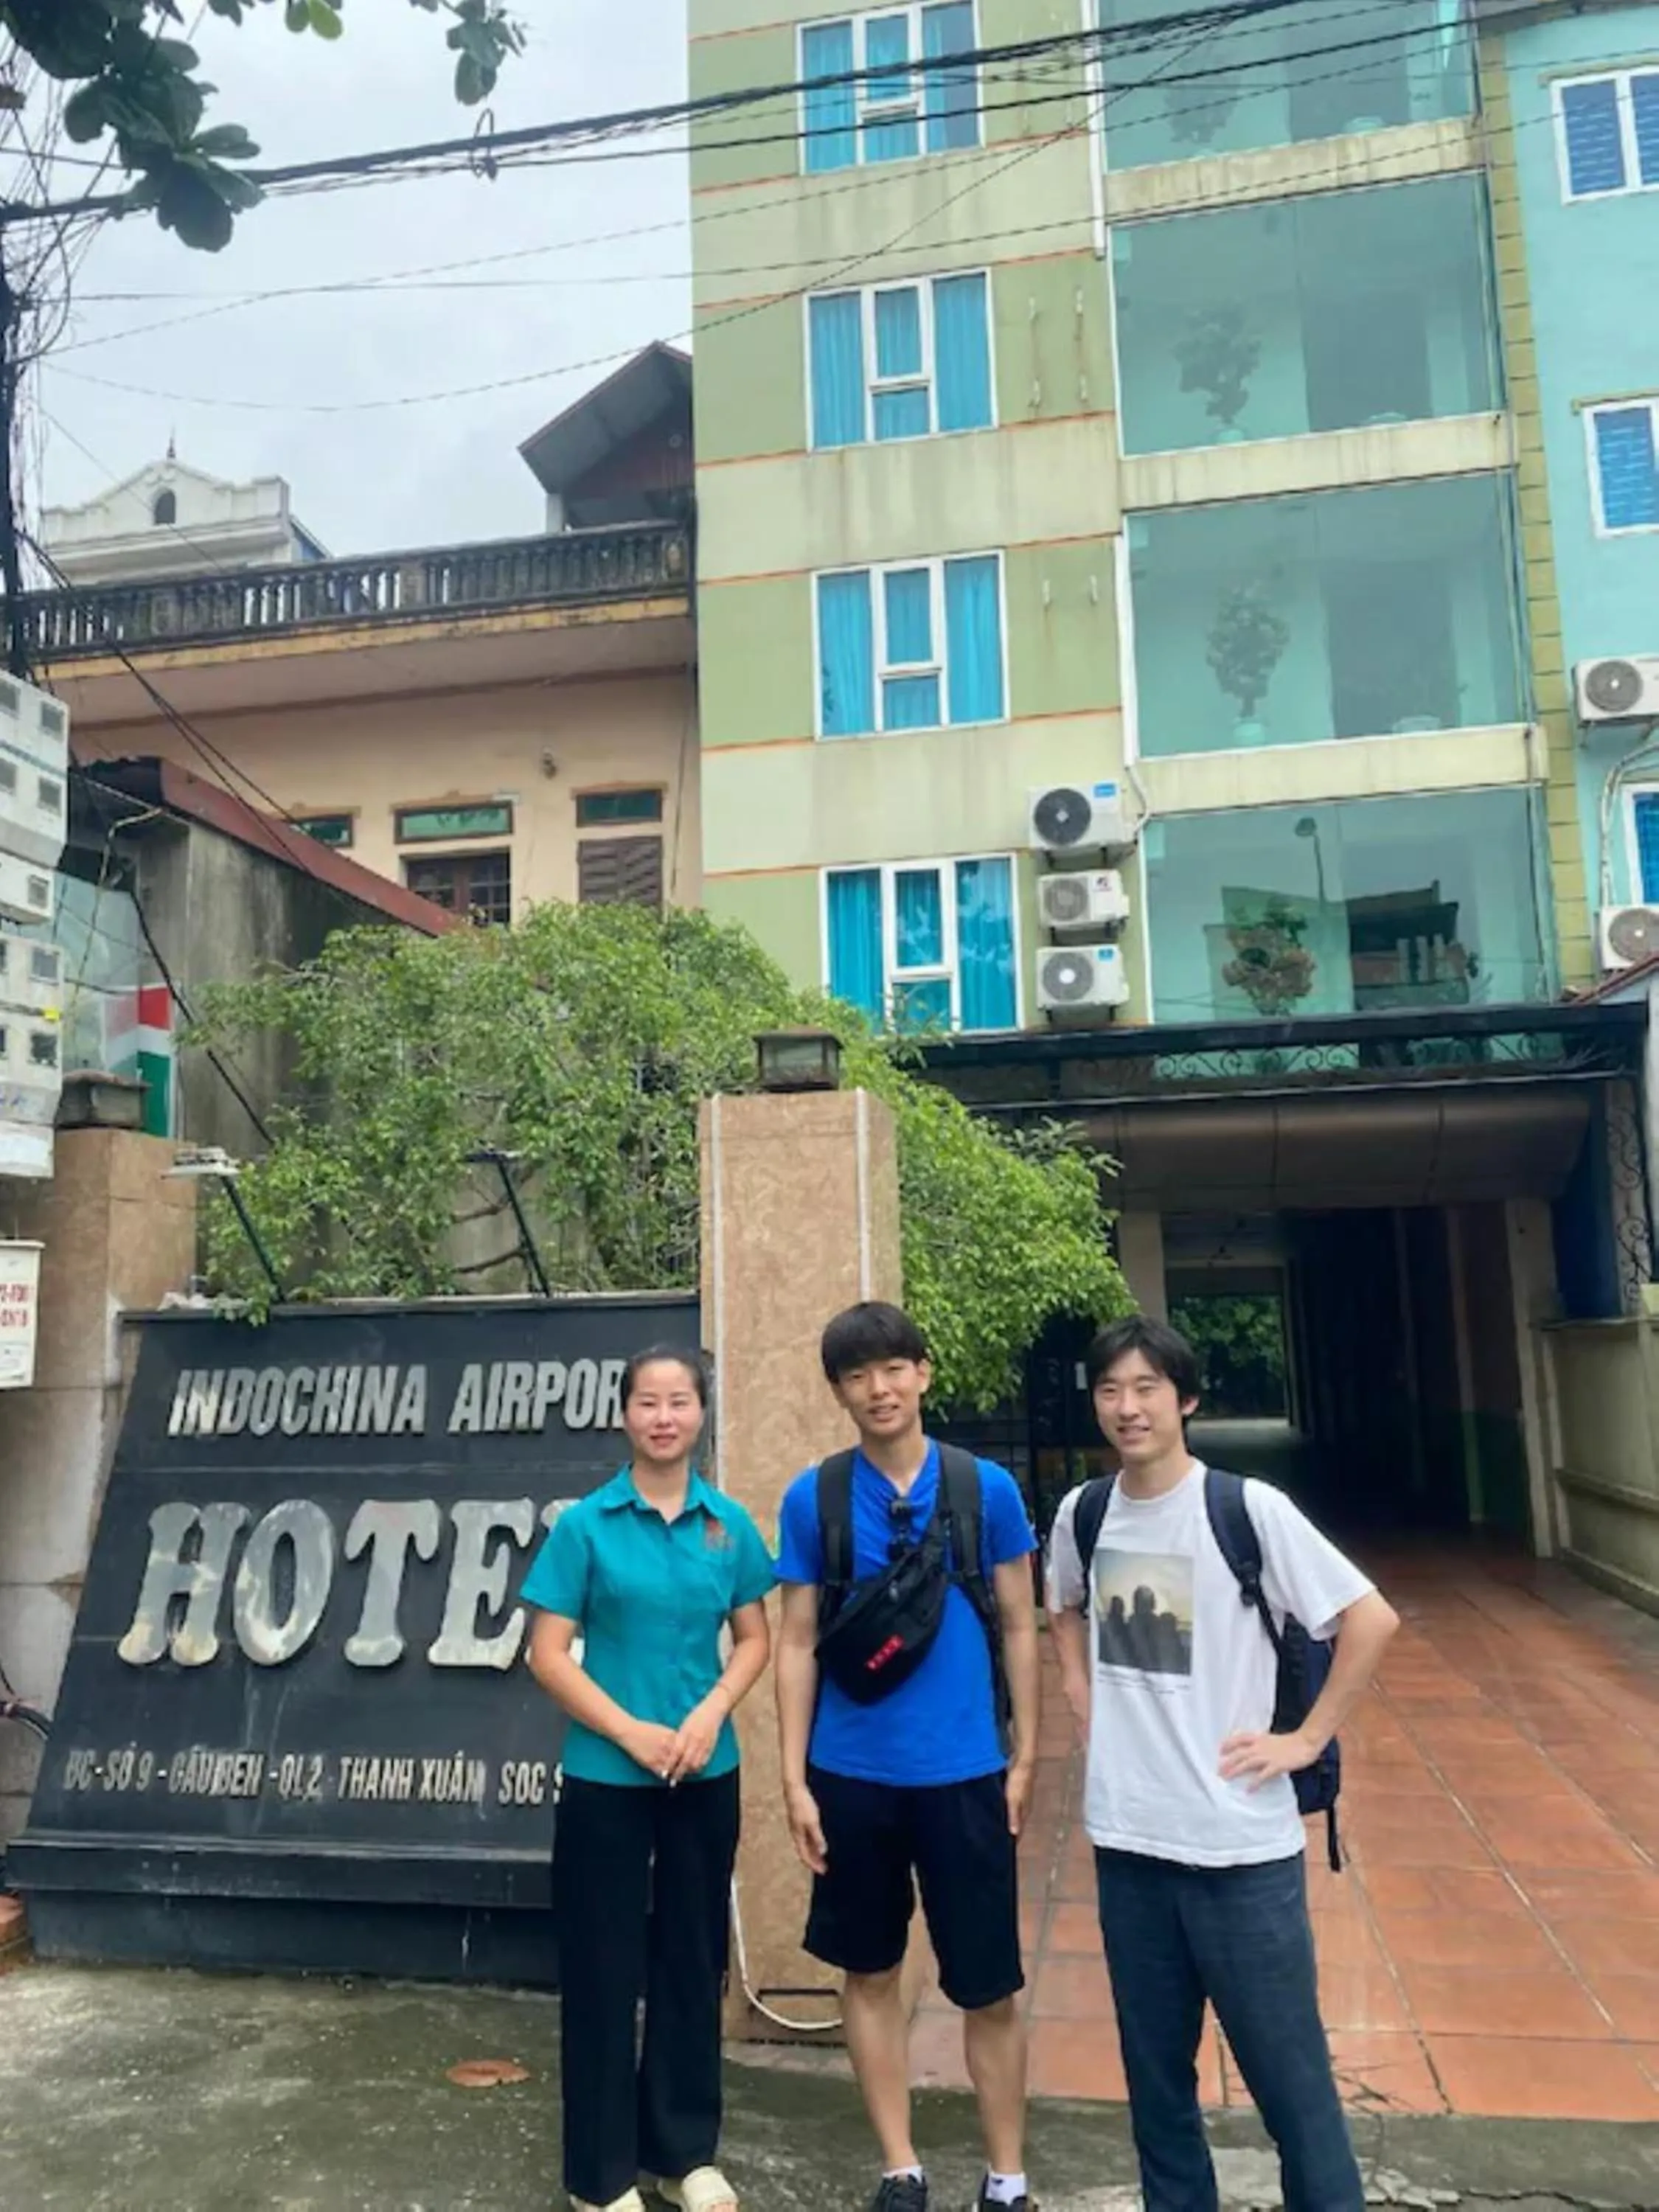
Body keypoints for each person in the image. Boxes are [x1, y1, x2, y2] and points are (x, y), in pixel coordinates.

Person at [1046, 1314, 1400, 2212]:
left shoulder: (1245, 1510)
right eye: (1110, 1391)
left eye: (1146, 1389)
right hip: (1130, 1845)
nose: (1127, 1408)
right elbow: (1064, 1610)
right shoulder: (1083, 1513)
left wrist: (1306, 1739)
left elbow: (1368, 1619)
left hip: (1241, 1852)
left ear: (1187, 1400)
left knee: (1294, 2092)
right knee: (1159, 2094)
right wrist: (1081, 1697)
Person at [774, 1301, 1041, 2212]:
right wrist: (793, 1780)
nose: (878, 1389)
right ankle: (901, 2166)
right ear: (838, 1391)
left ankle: (1007, 2176)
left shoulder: (984, 1491)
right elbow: (797, 1639)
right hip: (851, 1777)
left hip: (965, 1772)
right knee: (869, 1970)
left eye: (893, 1368)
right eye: (856, 1375)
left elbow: (1019, 1623)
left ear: (924, 1373)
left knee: (989, 1982)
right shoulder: (814, 1497)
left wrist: (1028, 1755)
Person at [524, 1346, 774, 2212]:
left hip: (707, 1773)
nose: (664, 1417)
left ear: (702, 1414)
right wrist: (630, 1729)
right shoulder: (585, 1526)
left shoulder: (727, 1525)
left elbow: (754, 1638)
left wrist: (710, 1715)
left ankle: (684, 2151)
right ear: (624, 1415)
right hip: (605, 1777)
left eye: (680, 1402)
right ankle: (600, 2176)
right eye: (647, 1402)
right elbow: (546, 1656)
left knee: (690, 1957)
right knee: (602, 1967)